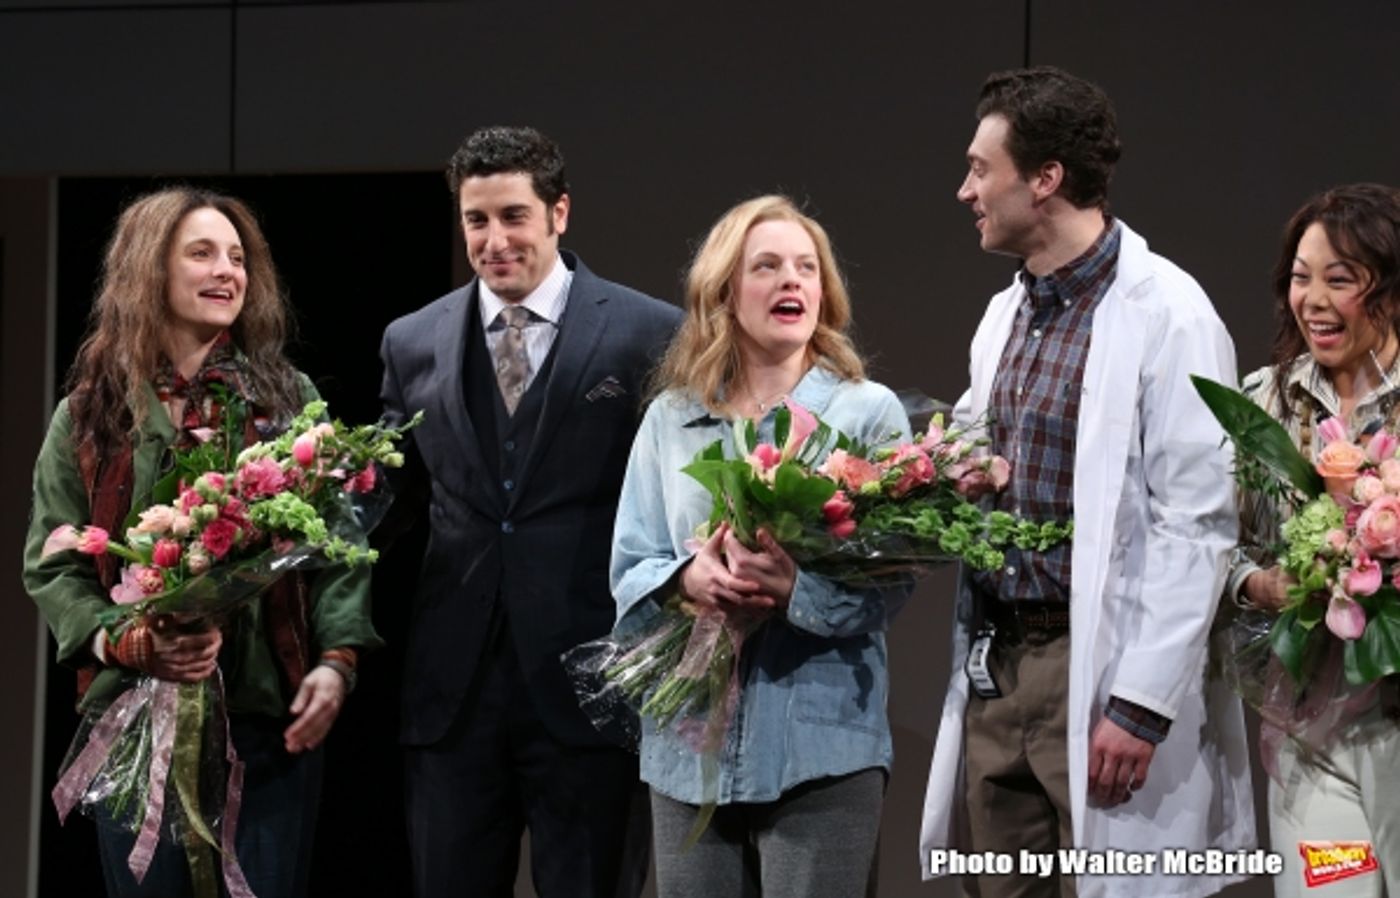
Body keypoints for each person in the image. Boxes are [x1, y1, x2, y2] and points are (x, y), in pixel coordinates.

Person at [918, 67, 1256, 898]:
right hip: (1003, 661)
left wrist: (1140, 703)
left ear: (1045, 180)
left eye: (979, 169)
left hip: (1100, 661)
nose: (965, 190)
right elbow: (971, 439)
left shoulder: (1169, 312)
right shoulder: (1007, 312)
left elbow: (1196, 523)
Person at [22, 187, 380, 897]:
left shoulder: (283, 396)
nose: (227, 271)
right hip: (133, 720)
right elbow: (54, 564)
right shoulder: (91, 414)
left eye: (239, 257)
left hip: (263, 723)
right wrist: (128, 642)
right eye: (203, 253)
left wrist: (336, 662)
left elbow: (340, 546)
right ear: (150, 271)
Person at [378, 125, 681, 898]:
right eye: (476, 220)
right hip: (452, 696)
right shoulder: (411, 341)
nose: (493, 239)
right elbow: (388, 504)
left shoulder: (648, 333)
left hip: (591, 684)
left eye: (514, 215)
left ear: (560, 213)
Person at [611, 194, 911, 898]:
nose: (792, 282)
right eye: (768, 266)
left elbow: (891, 579)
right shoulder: (672, 417)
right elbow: (632, 564)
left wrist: (793, 592)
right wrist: (689, 581)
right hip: (691, 747)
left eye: (807, 268)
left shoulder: (867, 412)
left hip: (822, 746)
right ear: (723, 293)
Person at [1227, 183, 1400, 898]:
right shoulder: (1265, 400)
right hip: (1309, 733)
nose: (1314, 300)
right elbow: (1212, 544)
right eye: (1301, 278)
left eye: (1340, 279)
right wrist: (1258, 585)